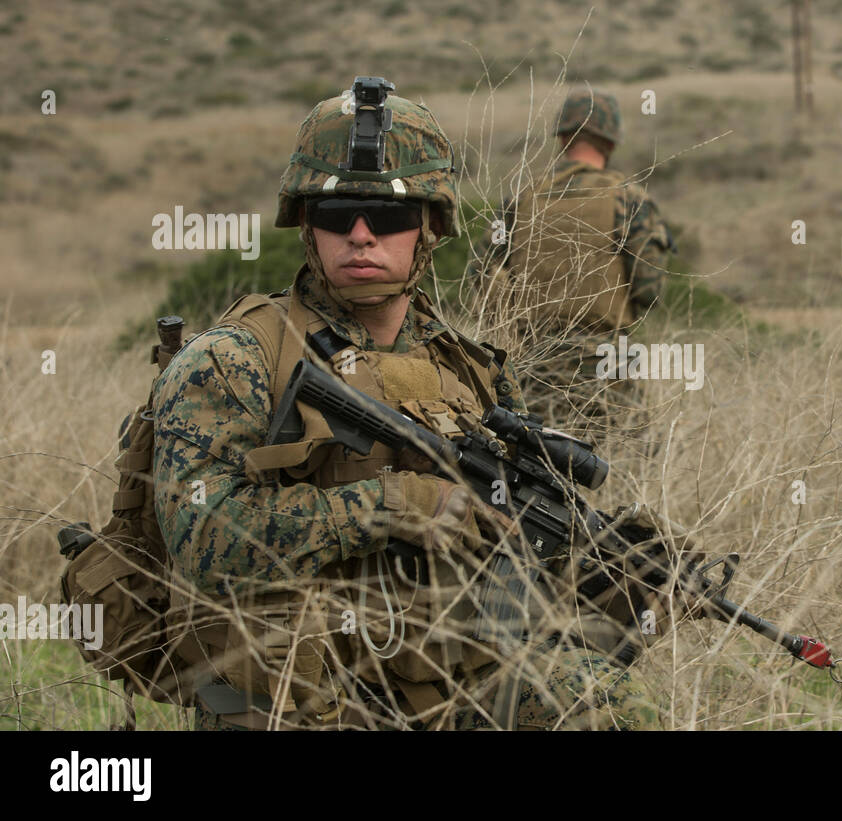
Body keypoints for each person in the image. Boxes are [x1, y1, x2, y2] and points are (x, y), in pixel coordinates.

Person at [151, 78, 660, 730]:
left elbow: (513, 557)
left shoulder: (469, 372)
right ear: (306, 224)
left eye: (388, 215)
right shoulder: (235, 360)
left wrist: (616, 576)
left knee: (611, 705)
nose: (361, 235)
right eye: (337, 214)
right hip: (296, 699)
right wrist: (393, 505)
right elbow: (202, 537)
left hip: (446, 684)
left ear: (431, 226)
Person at [470, 87, 676, 432]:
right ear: (610, 142)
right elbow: (650, 291)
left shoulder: (520, 201)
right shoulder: (630, 200)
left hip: (534, 362)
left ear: (562, 138)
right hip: (607, 362)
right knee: (619, 463)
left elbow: (481, 272)